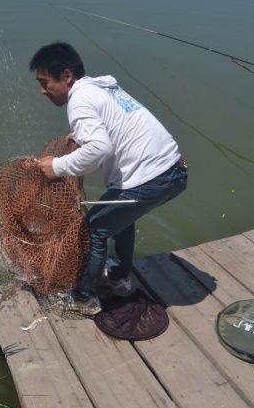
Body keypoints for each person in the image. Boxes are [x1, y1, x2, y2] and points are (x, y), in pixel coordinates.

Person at [30, 42, 187, 316]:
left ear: (66, 76)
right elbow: (109, 126)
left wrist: (58, 165)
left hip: (150, 178)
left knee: (94, 229)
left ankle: (84, 299)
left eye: (45, 83)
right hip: (174, 171)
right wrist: (79, 136)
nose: (42, 91)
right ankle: (118, 279)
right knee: (121, 215)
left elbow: (100, 148)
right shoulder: (100, 87)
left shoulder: (78, 100)